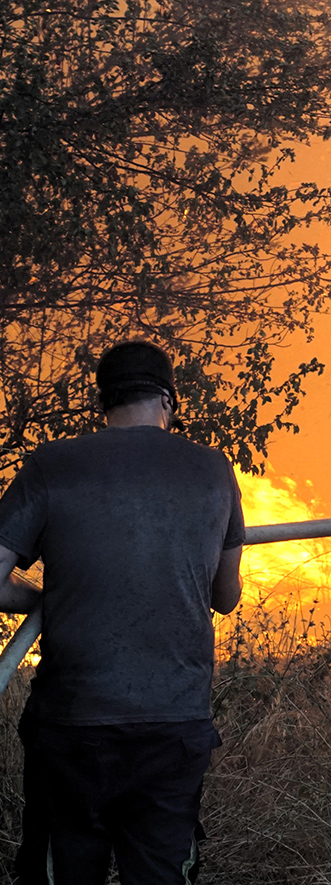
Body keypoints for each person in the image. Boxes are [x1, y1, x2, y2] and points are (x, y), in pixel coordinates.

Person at [0, 340, 245, 885]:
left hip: (71, 728)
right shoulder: (212, 470)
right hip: (172, 728)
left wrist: (43, 598)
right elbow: (225, 598)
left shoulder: (52, 465)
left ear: (101, 404)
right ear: (168, 402)